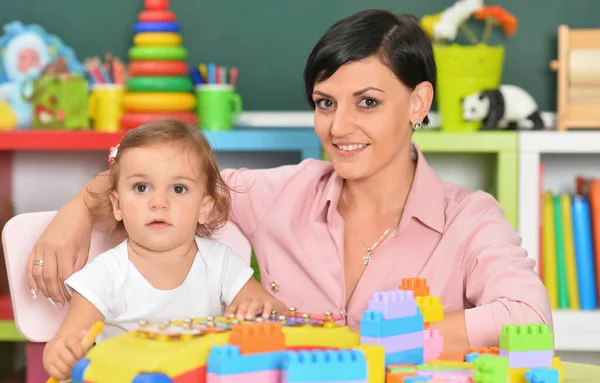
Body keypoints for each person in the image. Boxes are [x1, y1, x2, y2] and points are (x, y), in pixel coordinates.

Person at [28, 9, 551, 354]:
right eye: (326, 104)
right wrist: (77, 210)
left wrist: (381, 340)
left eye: (367, 102)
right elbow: (163, 179)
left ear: (418, 102)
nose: (339, 127)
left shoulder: (468, 217)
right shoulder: (280, 194)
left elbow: (529, 316)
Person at [42, 119, 287, 381]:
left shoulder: (220, 263)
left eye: (178, 189)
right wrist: (61, 354)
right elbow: (66, 340)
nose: (159, 202)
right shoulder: (105, 275)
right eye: (141, 188)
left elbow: (276, 310)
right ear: (117, 205)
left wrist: (263, 308)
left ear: (203, 208)